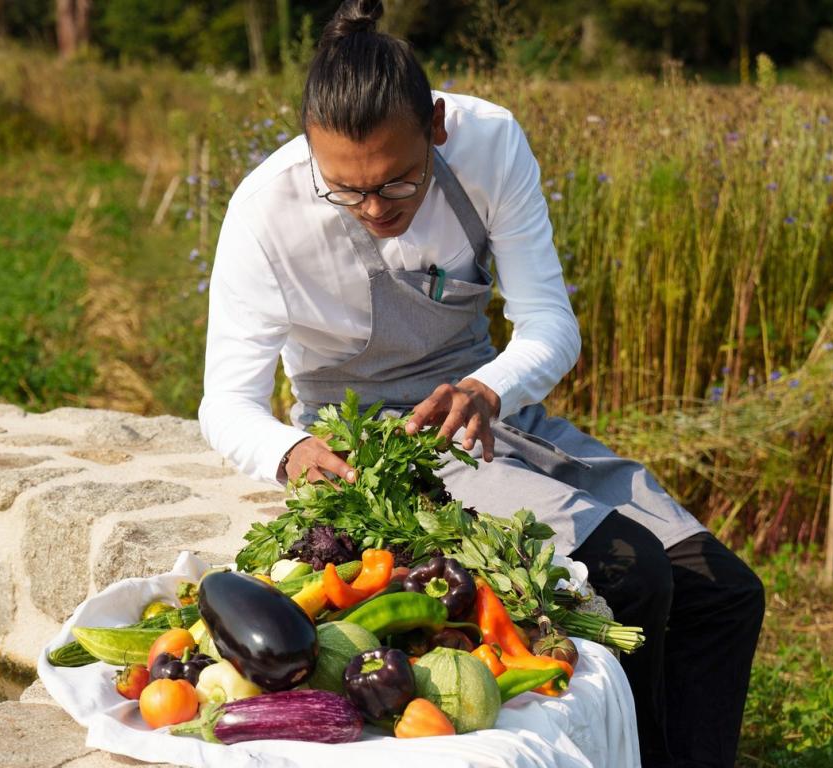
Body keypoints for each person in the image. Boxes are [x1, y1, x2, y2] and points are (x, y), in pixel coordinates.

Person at [198, 1, 765, 765]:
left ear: (436, 124)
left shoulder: (491, 143)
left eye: (398, 187)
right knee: (632, 573)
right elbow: (226, 402)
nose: (373, 210)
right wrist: (293, 450)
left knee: (724, 592)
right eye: (346, 191)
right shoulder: (264, 214)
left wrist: (488, 388)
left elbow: (549, 325)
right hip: (375, 451)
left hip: (491, 413)